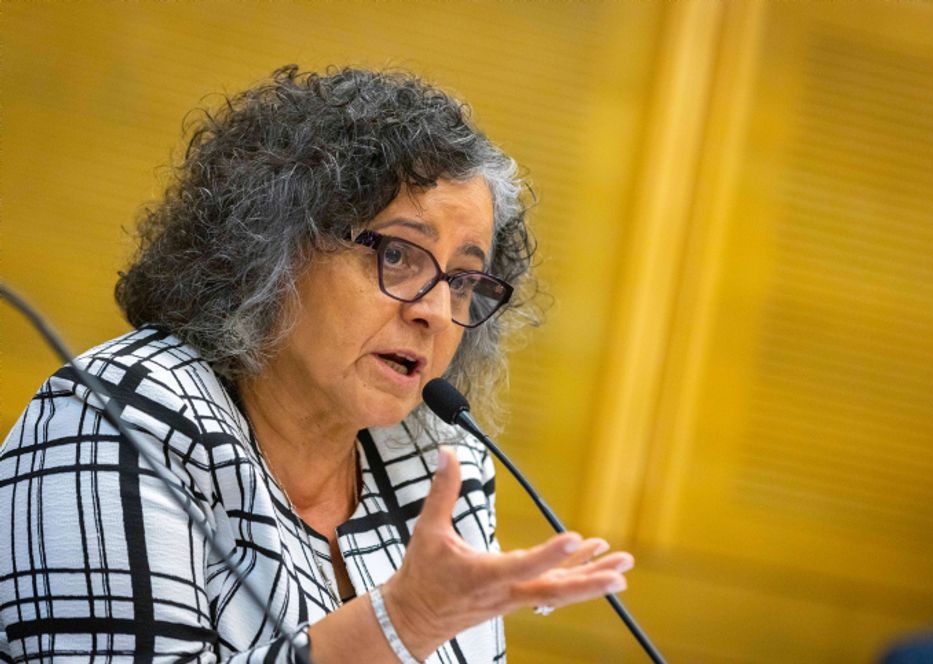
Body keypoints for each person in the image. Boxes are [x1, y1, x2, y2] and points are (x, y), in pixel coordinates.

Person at [0, 66, 633, 663]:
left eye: (464, 279)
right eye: (399, 256)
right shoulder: (124, 415)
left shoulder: (439, 462)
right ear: (271, 246)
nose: (438, 312)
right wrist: (402, 621)